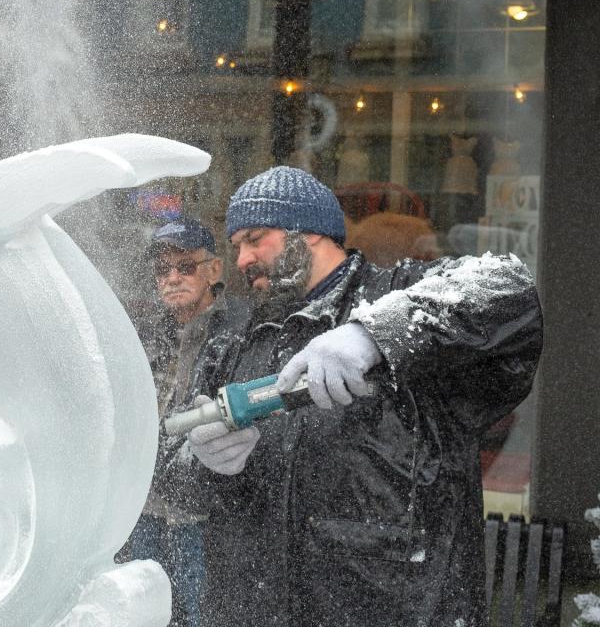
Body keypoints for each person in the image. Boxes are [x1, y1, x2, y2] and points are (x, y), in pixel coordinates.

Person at [181, 166, 542, 626]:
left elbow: (507, 289)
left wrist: (375, 334)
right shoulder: (232, 342)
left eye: (256, 238)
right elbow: (172, 477)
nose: (243, 260)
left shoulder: (397, 293)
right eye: (236, 247)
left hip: (394, 608)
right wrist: (205, 464)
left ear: (309, 231)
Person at [126, 218, 250, 627]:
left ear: (214, 270)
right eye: (163, 270)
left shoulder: (240, 332)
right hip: (145, 506)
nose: (172, 278)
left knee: (204, 615)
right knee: (143, 613)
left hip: (205, 513)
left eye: (186, 266)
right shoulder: (144, 334)